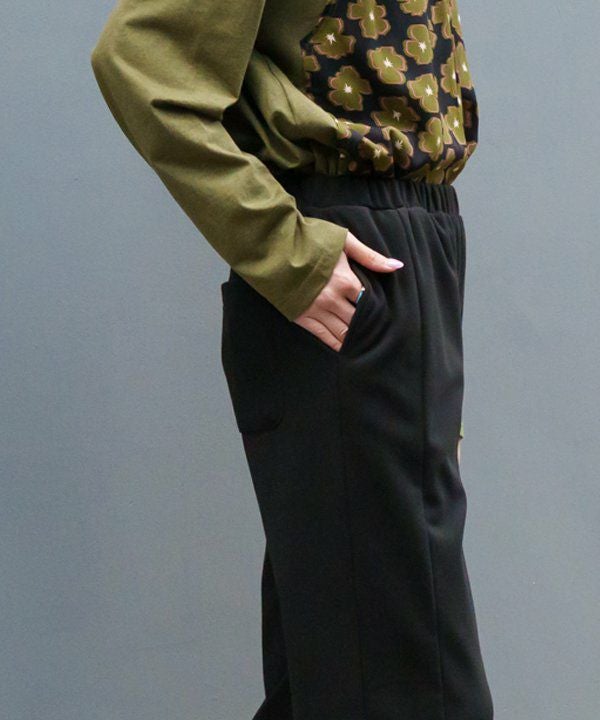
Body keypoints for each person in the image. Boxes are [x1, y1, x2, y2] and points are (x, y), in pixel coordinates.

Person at [90, 1, 493, 718]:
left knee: (342, 674)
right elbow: (140, 59)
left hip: (415, 251)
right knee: (406, 683)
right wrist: (285, 252)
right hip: (356, 260)